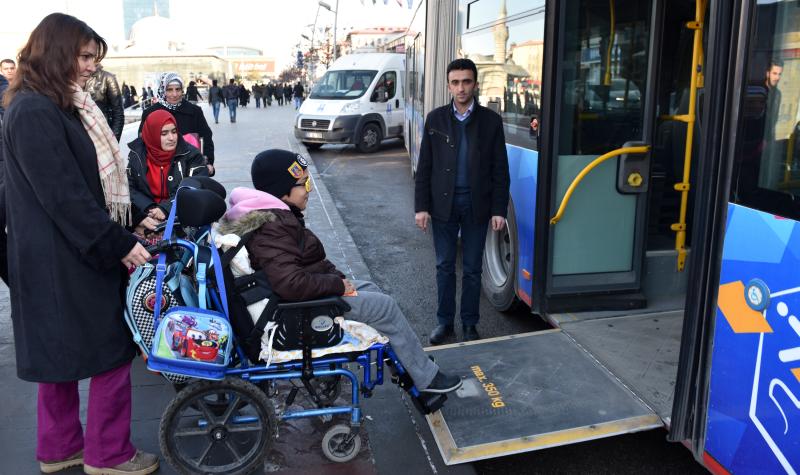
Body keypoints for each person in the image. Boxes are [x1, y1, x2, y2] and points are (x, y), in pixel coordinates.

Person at [0, 13, 157, 474]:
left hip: (56, 255)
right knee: (111, 353)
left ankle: (59, 448)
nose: (91, 66)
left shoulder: (51, 104)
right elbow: (65, 195)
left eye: (94, 58)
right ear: (57, 52)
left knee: (59, 357)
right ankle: (109, 455)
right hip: (65, 257)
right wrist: (117, 243)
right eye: (85, 56)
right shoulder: (34, 110)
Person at [217, 149, 463, 395]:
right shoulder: (272, 227)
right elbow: (290, 283)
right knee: (384, 306)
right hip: (294, 312)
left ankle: (411, 364)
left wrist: (338, 278)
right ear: (283, 192)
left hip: (296, 298)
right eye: (303, 184)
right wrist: (336, 285)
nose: (309, 189)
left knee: (369, 289)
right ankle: (426, 380)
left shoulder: (274, 217)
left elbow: (301, 265)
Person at [414, 58, 510, 344]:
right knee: (444, 266)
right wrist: (421, 207)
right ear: (448, 86)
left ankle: (469, 323)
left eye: (466, 81)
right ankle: (445, 324)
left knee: (472, 269)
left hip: (476, 205)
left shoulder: (491, 121)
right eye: (455, 82)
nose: (461, 88)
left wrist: (498, 209)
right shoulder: (435, 119)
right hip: (443, 205)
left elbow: (500, 169)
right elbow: (425, 166)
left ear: (475, 84)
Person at [127, 109, 208, 236]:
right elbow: (129, 188)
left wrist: (166, 209)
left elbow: (195, 187)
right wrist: (149, 211)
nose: (171, 138)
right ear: (152, 134)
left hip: (182, 219)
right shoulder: (137, 154)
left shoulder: (191, 155)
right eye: (164, 133)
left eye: (174, 131)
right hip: (146, 216)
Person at [139, 72, 216, 175]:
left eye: (178, 89)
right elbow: (142, 140)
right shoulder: (151, 113)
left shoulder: (194, 111)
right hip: (159, 169)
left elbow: (206, 136)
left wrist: (208, 162)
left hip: (189, 167)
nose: (174, 94)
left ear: (182, 90)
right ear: (163, 90)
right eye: (169, 90)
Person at [85, 63, 124, 141]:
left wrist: (113, 141)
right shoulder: (73, 76)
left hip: (102, 132)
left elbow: (118, 112)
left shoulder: (107, 78)